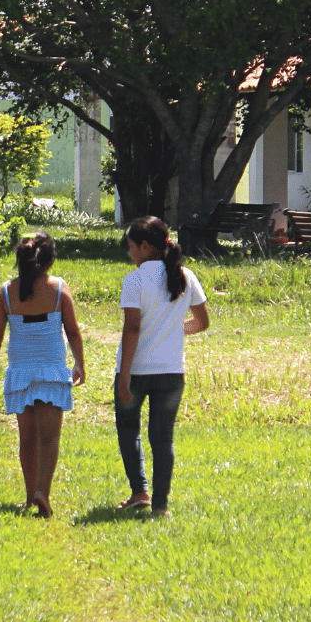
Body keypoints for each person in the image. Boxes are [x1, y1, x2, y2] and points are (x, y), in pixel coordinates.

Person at [0, 232, 86, 518]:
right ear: (50, 260)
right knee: (49, 438)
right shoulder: (59, 289)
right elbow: (73, 332)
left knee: (27, 439)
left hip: (21, 373)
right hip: (52, 370)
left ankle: (30, 496)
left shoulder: (6, 292)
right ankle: (43, 492)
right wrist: (80, 363)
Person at [113, 216, 210, 516]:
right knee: (162, 438)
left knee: (129, 431)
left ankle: (139, 490)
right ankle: (161, 505)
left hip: (137, 370)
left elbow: (132, 329)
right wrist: (173, 329)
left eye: (131, 247)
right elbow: (202, 322)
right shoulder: (186, 276)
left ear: (144, 246)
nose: (130, 254)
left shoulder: (135, 280)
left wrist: (124, 375)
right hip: (171, 372)